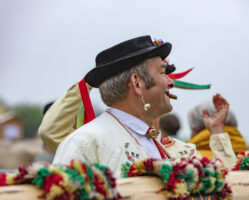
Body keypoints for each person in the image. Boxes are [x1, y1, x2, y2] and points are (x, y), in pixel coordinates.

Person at [44, 36, 236, 177]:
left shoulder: (169, 148)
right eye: (162, 72)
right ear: (137, 83)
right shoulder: (85, 141)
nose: (171, 82)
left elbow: (226, 186)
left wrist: (218, 131)